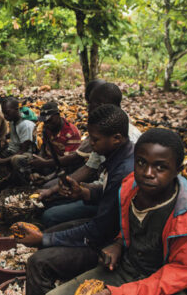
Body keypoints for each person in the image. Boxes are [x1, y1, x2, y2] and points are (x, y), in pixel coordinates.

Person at [47, 128, 187, 295]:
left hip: (170, 285)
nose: (148, 173)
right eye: (141, 162)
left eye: (160, 167)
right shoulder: (129, 186)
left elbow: (181, 271)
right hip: (127, 270)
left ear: (178, 169)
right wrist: (118, 244)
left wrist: (117, 293)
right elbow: (129, 226)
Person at [20, 104, 135, 295]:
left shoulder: (124, 171)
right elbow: (110, 196)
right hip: (107, 229)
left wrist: (45, 239)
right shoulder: (118, 156)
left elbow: (98, 230)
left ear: (116, 139)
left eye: (95, 139)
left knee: (38, 261)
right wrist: (85, 193)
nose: (90, 143)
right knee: (50, 228)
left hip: (112, 244)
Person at [36, 82, 142, 227]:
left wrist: (85, 191)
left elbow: (114, 197)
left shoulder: (126, 140)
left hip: (111, 206)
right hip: (98, 191)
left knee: (50, 216)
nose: (87, 108)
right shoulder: (102, 130)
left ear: (101, 104)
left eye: (89, 103)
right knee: (50, 200)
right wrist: (53, 190)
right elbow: (89, 168)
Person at [0, 97, 37, 181]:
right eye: (4, 113)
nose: (5, 116)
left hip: (26, 154)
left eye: (7, 113)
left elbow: (23, 150)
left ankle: (21, 180)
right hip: (11, 149)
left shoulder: (26, 125)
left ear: (16, 109)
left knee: (16, 159)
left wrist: (1, 160)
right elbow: (14, 132)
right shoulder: (13, 120)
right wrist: (4, 138)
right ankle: (1, 171)